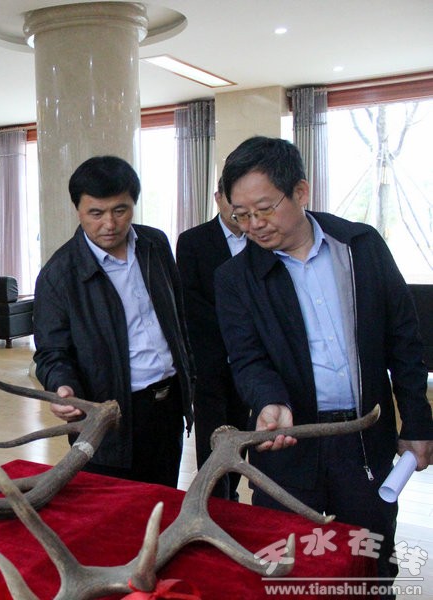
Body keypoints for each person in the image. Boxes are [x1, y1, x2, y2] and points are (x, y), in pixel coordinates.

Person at [214, 136, 432, 584]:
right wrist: (270, 401)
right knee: (290, 571)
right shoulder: (236, 277)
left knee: (369, 566)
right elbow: (247, 358)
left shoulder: (360, 247)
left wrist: (417, 422)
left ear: (301, 191)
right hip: (288, 447)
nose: (254, 225)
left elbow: (404, 340)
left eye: (264, 209)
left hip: (363, 441)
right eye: (241, 215)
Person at [33, 155, 194, 487]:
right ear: (77, 210)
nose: (109, 223)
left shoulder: (155, 244)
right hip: (108, 413)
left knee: (164, 499)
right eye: (96, 213)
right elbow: (51, 352)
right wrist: (62, 386)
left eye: (120, 210)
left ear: (133, 204)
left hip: (168, 405)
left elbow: (179, 315)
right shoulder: (59, 274)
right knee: (113, 507)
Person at [175, 181, 249, 500]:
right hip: (210, 358)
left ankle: (231, 493)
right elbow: (190, 302)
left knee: (242, 431)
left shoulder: (263, 238)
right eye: (232, 201)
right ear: (218, 198)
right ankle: (213, 501)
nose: (239, 210)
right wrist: (237, 328)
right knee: (212, 433)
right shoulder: (193, 241)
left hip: (252, 360)